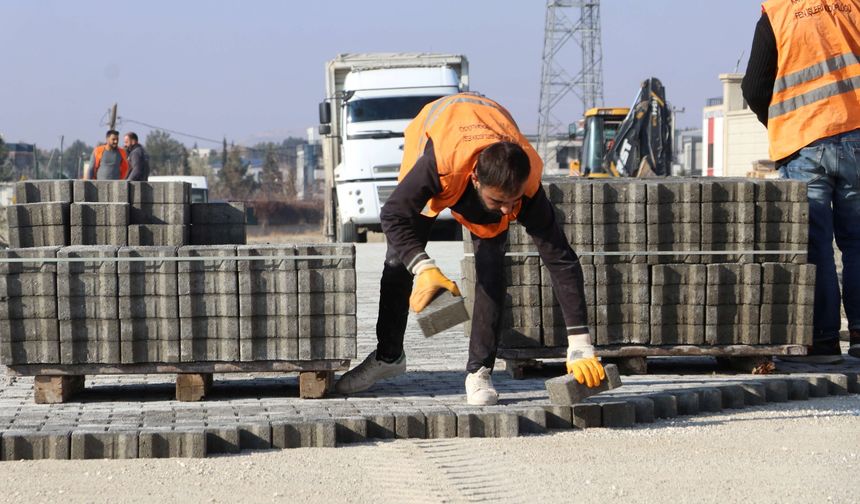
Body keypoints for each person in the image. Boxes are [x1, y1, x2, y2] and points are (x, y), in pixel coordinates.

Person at [335, 92, 606, 404]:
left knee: (491, 269)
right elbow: (392, 215)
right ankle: (389, 356)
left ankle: (479, 371)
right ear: (476, 178)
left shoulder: (526, 182)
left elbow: (561, 259)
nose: (507, 211)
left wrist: (580, 343)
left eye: (512, 201)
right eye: (498, 201)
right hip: (434, 138)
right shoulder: (438, 166)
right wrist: (422, 265)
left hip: (483, 134)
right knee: (398, 261)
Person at [742, 0, 860, 362]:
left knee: (816, 246)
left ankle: (823, 341)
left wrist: (781, 122)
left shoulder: (777, 14)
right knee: (857, 243)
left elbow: (754, 87)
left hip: (805, 142)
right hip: (857, 135)